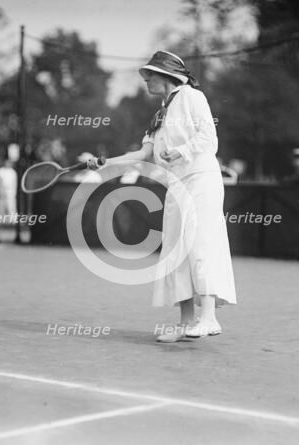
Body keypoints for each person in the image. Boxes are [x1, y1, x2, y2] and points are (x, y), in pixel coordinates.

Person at [88, 50, 237, 342]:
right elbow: (142, 154)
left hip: (202, 179)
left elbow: (209, 138)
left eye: (150, 76)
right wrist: (106, 162)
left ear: (167, 75)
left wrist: (181, 151)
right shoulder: (160, 112)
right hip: (177, 185)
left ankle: (210, 318)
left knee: (200, 244)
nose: (146, 82)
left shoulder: (194, 97)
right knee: (175, 250)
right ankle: (185, 323)